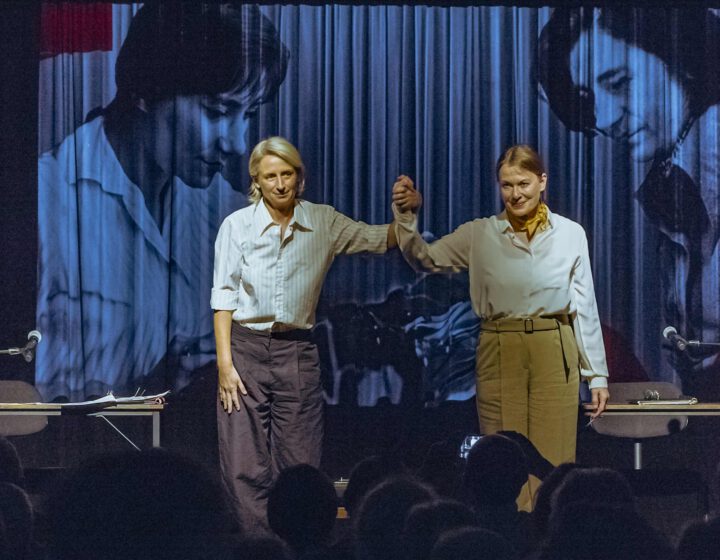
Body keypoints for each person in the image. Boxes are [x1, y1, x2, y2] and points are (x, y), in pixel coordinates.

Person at [36, 4, 289, 401]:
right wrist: (153, 389)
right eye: (217, 112)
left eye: (249, 114)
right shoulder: (46, 205)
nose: (239, 143)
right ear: (145, 91)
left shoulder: (228, 214)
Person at [211, 136, 420, 534]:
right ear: (256, 180)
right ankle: (260, 547)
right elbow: (223, 297)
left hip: (297, 351)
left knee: (300, 461)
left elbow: (382, 240)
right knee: (244, 464)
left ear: (299, 177)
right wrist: (225, 366)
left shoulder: (322, 221)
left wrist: (406, 214)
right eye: (270, 176)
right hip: (245, 349)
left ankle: (297, 543)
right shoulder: (236, 227)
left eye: (287, 174)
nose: (280, 184)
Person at [392, 145, 609, 508]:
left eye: (523, 183)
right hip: (499, 344)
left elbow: (584, 306)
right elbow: (425, 260)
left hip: (553, 344)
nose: (515, 193)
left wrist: (596, 375)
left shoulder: (571, 234)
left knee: (554, 460)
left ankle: (551, 536)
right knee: (503, 458)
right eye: (506, 185)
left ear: (543, 181)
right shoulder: (481, 234)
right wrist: (407, 218)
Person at [537, 7, 720, 399]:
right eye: (589, 96)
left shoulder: (709, 156)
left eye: (619, 83)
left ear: (678, 59)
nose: (603, 117)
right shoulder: (675, 176)